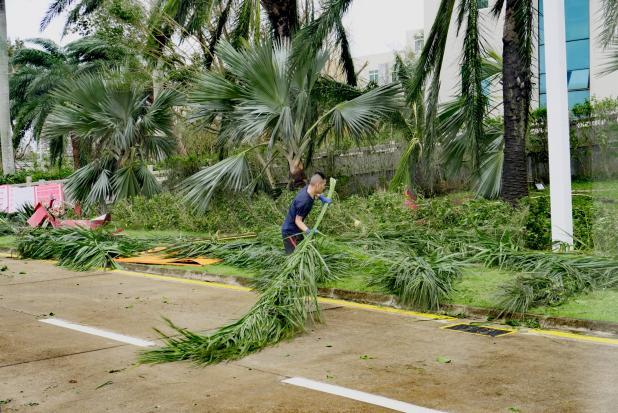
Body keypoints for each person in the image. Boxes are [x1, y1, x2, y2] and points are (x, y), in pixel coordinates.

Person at [281, 172, 332, 254]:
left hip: (297, 229)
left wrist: (321, 197)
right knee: (294, 256)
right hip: (290, 232)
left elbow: (314, 191)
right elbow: (298, 221)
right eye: (324, 185)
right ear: (318, 184)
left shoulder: (309, 188)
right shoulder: (304, 201)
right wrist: (308, 231)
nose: (324, 187)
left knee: (304, 251)